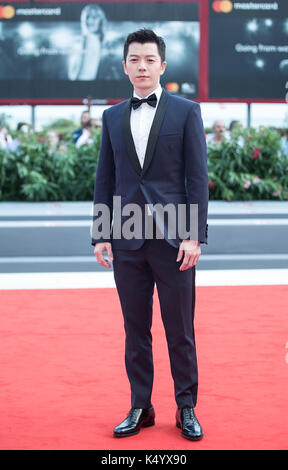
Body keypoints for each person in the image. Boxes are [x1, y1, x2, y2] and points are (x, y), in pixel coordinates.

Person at [92, 29, 208, 441]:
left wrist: (194, 236)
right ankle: (141, 405)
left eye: (149, 59)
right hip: (126, 239)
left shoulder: (186, 112)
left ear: (162, 65)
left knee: (180, 328)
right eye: (134, 60)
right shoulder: (111, 117)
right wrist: (101, 234)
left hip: (175, 240)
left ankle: (186, 406)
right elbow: (106, 177)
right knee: (135, 328)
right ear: (125, 67)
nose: (142, 66)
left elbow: (197, 178)